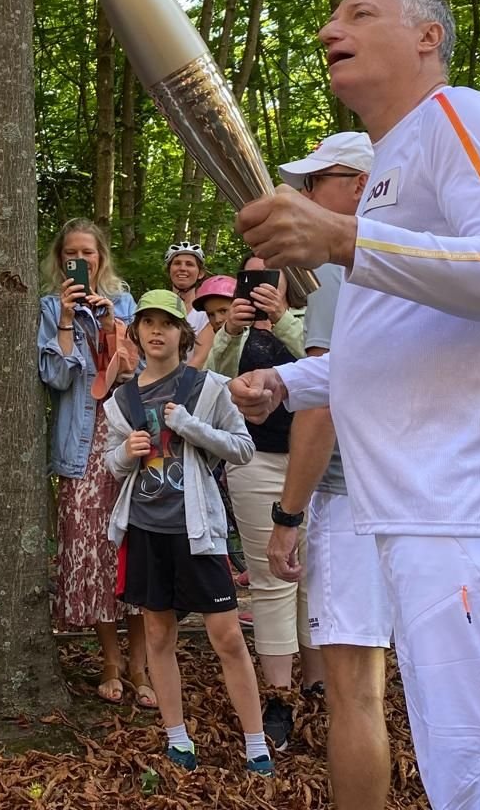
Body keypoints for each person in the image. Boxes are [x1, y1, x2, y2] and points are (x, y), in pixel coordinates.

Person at [231, 0, 480, 810]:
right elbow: (391, 347)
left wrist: (344, 238)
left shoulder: (465, 116)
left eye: (360, 13)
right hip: (422, 512)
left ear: (428, 38)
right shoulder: (393, 165)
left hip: (469, 506)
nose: (327, 29)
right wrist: (290, 380)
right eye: (332, 12)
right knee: (469, 773)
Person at [261, 131, 393, 810]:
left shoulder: (347, 274)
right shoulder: (439, 261)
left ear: (362, 185)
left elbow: (323, 407)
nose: (307, 197)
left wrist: (287, 517)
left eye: (321, 181)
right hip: (430, 498)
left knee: (356, 695)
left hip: (354, 503)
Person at [103, 290, 271, 775]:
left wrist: (191, 425)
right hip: (146, 530)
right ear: (136, 333)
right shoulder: (123, 400)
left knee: (227, 637)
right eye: (148, 323)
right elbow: (112, 467)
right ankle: (177, 738)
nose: (157, 331)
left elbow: (241, 448)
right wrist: (126, 452)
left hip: (198, 532)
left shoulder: (209, 387)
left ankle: (256, 743)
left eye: (168, 323)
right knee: (158, 634)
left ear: (183, 332)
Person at [39, 218, 152, 708]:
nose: (80, 262)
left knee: (135, 549)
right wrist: (67, 319)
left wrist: (110, 326)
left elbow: (139, 375)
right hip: (79, 448)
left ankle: (142, 664)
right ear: (59, 259)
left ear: (101, 258)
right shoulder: (49, 308)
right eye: (71, 254)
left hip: (129, 442)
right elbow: (56, 377)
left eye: (88, 253)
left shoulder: (127, 306)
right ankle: (110, 659)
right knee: (96, 552)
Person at [206, 258, 318, 749]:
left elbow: (322, 367)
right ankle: (280, 696)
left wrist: (285, 319)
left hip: (318, 463)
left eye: (272, 277)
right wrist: (230, 332)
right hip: (254, 460)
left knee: (317, 576)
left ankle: (317, 688)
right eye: (252, 277)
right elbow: (209, 386)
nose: (262, 286)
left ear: (288, 282)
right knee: (273, 579)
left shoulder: (312, 319)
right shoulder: (234, 332)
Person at [164, 241, 209, 336]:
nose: (182, 268)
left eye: (189, 264)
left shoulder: (207, 312)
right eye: (177, 263)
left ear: (200, 273)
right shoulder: (156, 308)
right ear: (169, 271)